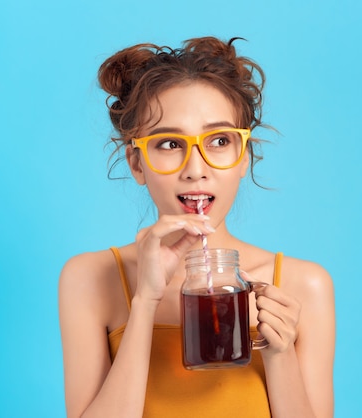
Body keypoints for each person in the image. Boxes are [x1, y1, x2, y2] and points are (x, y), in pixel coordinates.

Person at [59, 36, 335, 418]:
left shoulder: (304, 285)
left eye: (219, 140)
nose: (196, 169)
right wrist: (145, 304)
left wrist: (279, 353)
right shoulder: (90, 279)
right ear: (137, 164)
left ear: (244, 157)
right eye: (170, 143)